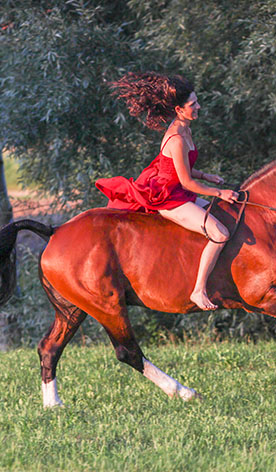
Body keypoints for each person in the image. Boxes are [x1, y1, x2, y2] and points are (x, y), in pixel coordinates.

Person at [96, 72, 239, 311]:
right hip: (170, 199)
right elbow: (186, 182)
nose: (198, 107)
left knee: (223, 216)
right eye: (193, 104)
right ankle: (198, 290)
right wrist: (218, 192)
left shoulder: (186, 129)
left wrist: (206, 176)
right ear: (179, 109)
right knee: (220, 234)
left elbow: (180, 167)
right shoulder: (176, 139)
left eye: (196, 102)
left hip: (179, 192)